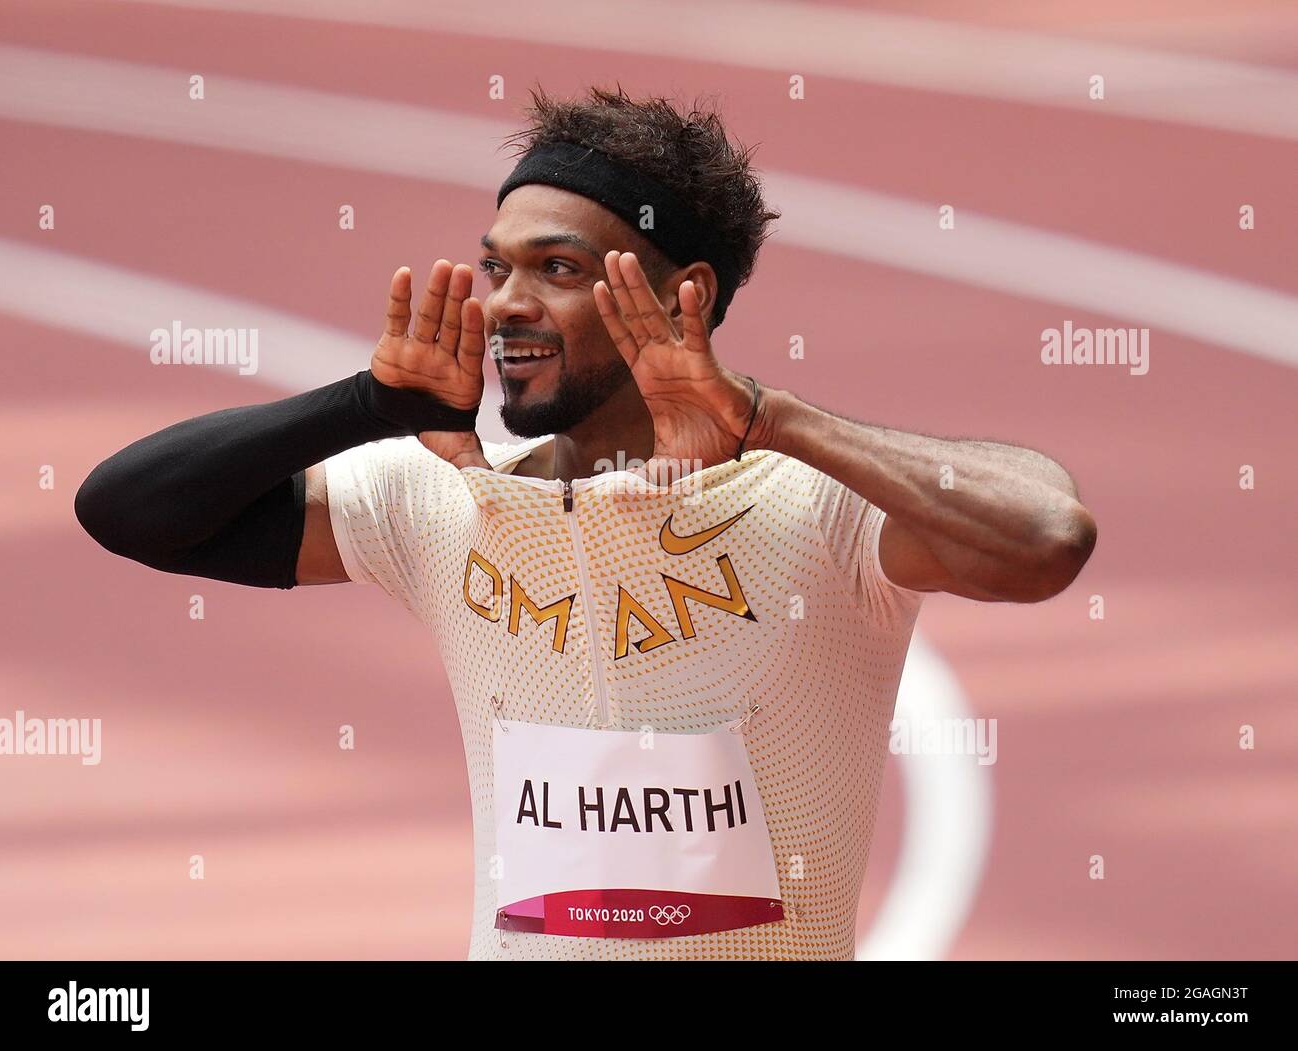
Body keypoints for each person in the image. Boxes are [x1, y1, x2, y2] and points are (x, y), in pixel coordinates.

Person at [74, 85, 1096, 960]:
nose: (507, 303)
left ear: (681, 295)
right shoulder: (440, 498)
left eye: (556, 271)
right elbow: (128, 510)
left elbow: (1044, 536)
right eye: (497, 269)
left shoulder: (813, 507)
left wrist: (768, 419)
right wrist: (361, 404)